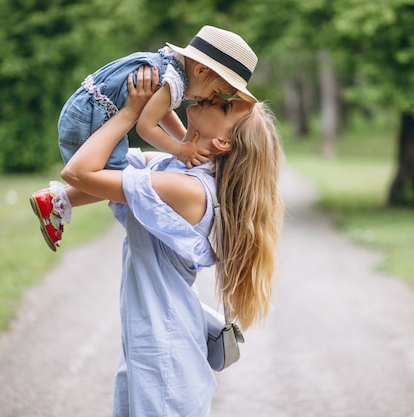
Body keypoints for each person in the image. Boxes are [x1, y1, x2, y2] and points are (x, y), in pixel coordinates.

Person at [61, 65, 284, 416]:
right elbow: (109, 175)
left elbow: (78, 172)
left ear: (223, 142)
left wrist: (131, 113)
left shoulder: (188, 191)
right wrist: (56, 201)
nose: (213, 97)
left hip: (164, 354)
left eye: (223, 105)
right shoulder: (178, 169)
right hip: (150, 343)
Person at [30, 25, 258, 251]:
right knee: (109, 176)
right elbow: (146, 128)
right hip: (91, 117)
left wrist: (183, 144)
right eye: (216, 92)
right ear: (200, 71)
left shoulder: (171, 68)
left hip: (84, 111)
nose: (211, 98)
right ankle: (56, 202)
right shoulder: (175, 82)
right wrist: (180, 150)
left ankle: (55, 202)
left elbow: (162, 113)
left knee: (112, 177)